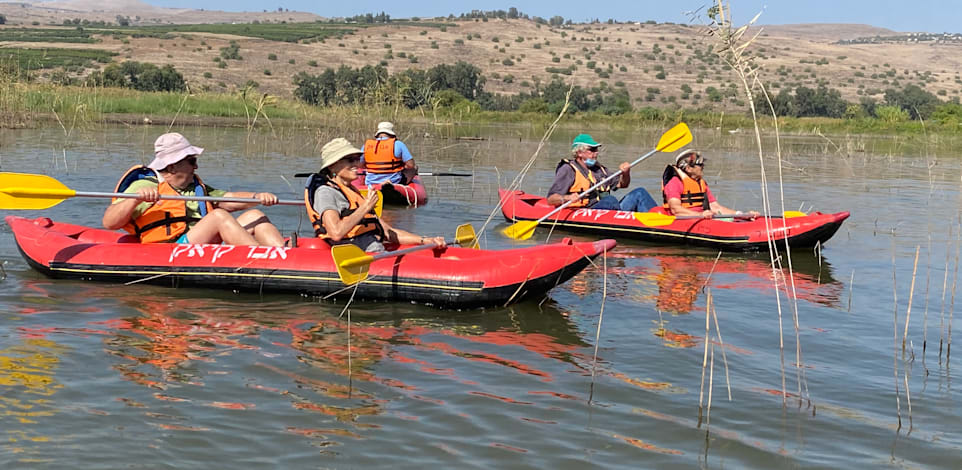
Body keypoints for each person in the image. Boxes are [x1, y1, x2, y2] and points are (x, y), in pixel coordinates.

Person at [103, 132, 284, 246]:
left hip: (198, 241)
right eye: (192, 161)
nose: (195, 167)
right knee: (218, 217)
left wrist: (257, 196)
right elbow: (109, 223)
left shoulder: (195, 187)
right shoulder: (145, 185)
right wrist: (135, 199)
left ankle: (283, 257)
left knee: (255, 215)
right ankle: (261, 259)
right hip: (170, 248)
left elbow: (228, 198)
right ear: (172, 167)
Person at [306, 137, 444, 252]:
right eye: (350, 160)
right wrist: (365, 207)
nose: (357, 164)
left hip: (376, 251)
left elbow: (388, 232)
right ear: (332, 166)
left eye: (357, 158)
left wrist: (424, 240)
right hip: (355, 258)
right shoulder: (326, 193)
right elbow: (336, 232)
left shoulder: (353, 192)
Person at [546, 133, 658, 212]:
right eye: (592, 150)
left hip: (609, 209)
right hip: (586, 211)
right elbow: (551, 199)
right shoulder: (568, 169)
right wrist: (567, 198)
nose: (596, 153)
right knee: (610, 200)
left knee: (640, 192)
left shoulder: (600, 169)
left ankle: (659, 221)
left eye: (596, 150)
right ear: (579, 152)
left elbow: (622, 184)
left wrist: (626, 173)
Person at [662, 149, 759, 219]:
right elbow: (676, 210)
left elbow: (715, 207)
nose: (703, 166)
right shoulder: (674, 183)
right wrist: (700, 215)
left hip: (702, 218)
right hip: (683, 221)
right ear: (688, 168)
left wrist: (741, 215)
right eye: (699, 164)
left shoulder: (701, 183)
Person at [360, 121, 417, 186]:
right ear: (392, 134)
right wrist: (401, 166)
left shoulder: (366, 146)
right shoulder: (398, 144)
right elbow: (411, 165)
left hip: (371, 182)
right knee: (414, 168)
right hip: (393, 182)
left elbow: (360, 165)